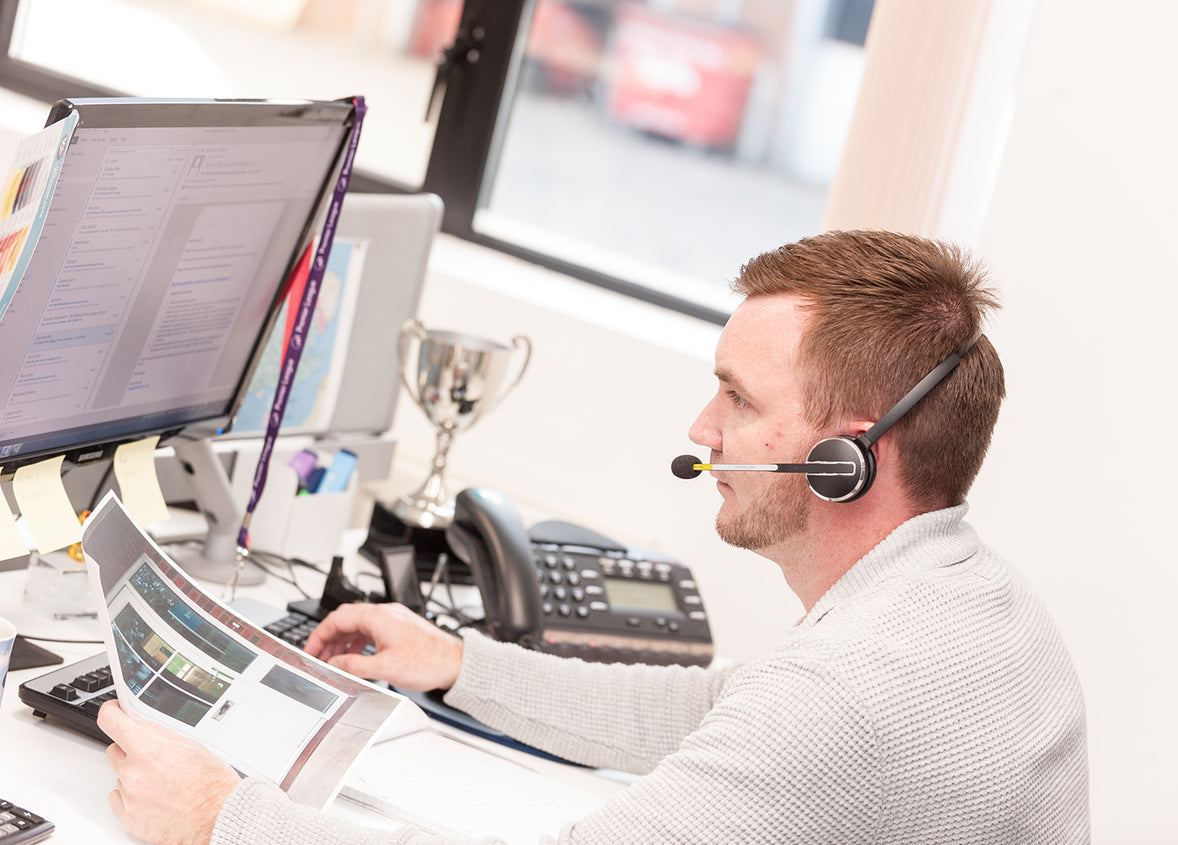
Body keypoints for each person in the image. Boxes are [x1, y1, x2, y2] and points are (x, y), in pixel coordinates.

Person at [97, 230, 1089, 844]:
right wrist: (456, 663)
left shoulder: (851, 696)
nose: (703, 429)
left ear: (845, 460)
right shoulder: (966, 601)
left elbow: (785, 720)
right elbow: (711, 709)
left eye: (738, 399)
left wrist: (226, 818)